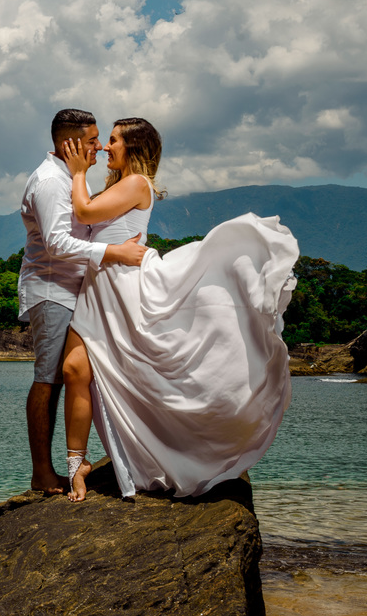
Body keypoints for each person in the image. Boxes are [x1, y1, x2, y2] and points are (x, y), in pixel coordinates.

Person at [60, 118, 297, 501]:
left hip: (123, 289)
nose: (106, 146)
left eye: (114, 140)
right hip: (98, 289)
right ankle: (77, 464)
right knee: (75, 370)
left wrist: (76, 173)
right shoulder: (119, 184)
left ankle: (182, 448)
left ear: (134, 149)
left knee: (145, 376)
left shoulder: (136, 184)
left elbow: (85, 213)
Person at [19, 109, 147, 494]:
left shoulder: (67, 180)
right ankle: (43, 473)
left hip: (77, 290)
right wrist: (113, 253)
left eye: (99, 139)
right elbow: (57, 244)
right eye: (91, 140)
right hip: (53, 289)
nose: (98, 147)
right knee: (49, 379)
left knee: (73, 376)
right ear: (69, 144)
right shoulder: (50, 183)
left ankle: (91, 458)